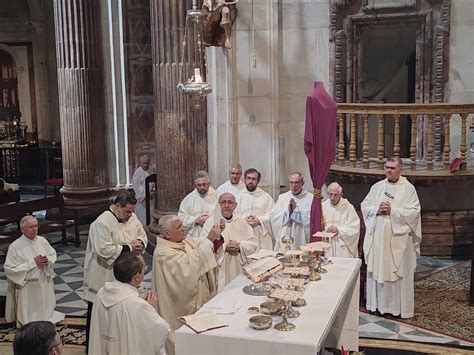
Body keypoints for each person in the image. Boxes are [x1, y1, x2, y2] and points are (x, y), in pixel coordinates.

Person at [83, 191, 147, 349]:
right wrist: (130, 247)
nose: (130, 215)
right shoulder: (102, 222)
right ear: (117, 206)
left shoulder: (131, 217)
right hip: (104, 274)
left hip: (126, 274)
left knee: (123, 311)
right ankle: (95, 347)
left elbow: (142, 234)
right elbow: (104, 250)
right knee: (100, 314)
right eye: (128, 211)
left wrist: (140, 242)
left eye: (132, 211)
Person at [152, 214, 222, 355]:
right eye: (179, 227)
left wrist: (216, 236)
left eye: (182, 225)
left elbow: (202, 245)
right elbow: (187, 267)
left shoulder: (184, 242)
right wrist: (209, 239)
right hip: (178, 307)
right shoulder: (162, 253)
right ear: (167, 233)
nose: (184, 228)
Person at [361, 157, 422, 318]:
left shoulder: (408, 189)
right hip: (379, 240)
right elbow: (365, 206)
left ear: (400, 169)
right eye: (387, 167)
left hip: (399, 240)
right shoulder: (377, 187)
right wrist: (377, 209)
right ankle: (377, 306)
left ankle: (397, 309)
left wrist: (393, 212)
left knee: (398, 273)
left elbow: (414, 212)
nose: (389, 170)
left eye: (393, 168)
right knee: (379, 269)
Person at [89, 253, 170, 355]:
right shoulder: (137, 305)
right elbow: (160, 331)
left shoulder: (101, 293)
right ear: (136, 277)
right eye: (144, 269)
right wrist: (151, 309)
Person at [4, 216, 65, 328]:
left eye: (36, 226)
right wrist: (32, 263)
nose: (34, 229)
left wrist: (47, 260)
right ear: (22, 229)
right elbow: (10, 269)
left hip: (43, 279)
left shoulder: (42, 240)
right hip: (28, 285)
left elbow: (52, 254)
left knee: (46, 311)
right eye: (31, 227)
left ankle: (46, 317)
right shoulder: (15, 246)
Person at [202, 192, 258, 290]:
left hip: (238, 267)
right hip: (220, 269)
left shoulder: (242, 221)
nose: (226, 206)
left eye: (230, 202)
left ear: (235, 205)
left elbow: (253, 243)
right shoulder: (211, 222)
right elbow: (203, 245)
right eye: (223, 202)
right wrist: (224, 247)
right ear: (219, 205)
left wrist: (240, 246)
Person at [260, 172, 312, 251]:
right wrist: (288, 211)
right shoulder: (283, 197)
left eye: (296, 182)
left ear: (302, 183)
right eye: (291, 182)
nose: (294, 185)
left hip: (300, 236)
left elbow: (311, 217)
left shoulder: (310, 198)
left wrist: (296, 211)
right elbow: (274, 215)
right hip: (285, 234)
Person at [236, 168, 275, 250]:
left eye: (254, 179)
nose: (251, 181)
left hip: (261, 235)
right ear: (245, 179)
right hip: (243, 234)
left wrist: (259, 220)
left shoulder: (265, 197)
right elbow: (232, 215)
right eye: (248, 178)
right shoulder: (237, 197)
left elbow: (273, 215)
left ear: (258, 181)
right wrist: (243, 220)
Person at [322, 182, 360, 258]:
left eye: (335, 195)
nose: (332, 197)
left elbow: (354, 227)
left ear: (341, 195)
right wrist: (326, 229)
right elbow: (319, 225)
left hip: (342, 245)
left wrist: (338, 230)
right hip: (327, 243)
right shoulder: (323, 206)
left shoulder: (348, 207)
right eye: (330, 194)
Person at [178, 171, 218, 238]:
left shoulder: (217, 197)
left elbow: (222, 215)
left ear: (209, 183)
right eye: (199, 185)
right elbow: (181, 217)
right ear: (195, 185)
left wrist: (209, 220)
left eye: (204, 184)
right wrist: (195, 220)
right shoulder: (188, 199)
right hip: (194, 236)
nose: (202, 187)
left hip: (211, 235)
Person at [132, 154, 154, 225]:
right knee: (143, 221)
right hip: (142, 202)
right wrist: (146, 193)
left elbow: (154, 183)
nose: (145, 165)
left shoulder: (151, 171)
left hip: (151, 200)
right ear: (140, 163)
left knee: (151, 219)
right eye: (143, 163)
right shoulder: (137, 173)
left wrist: (153, 191)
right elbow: (137, 188)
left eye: (147, 163)